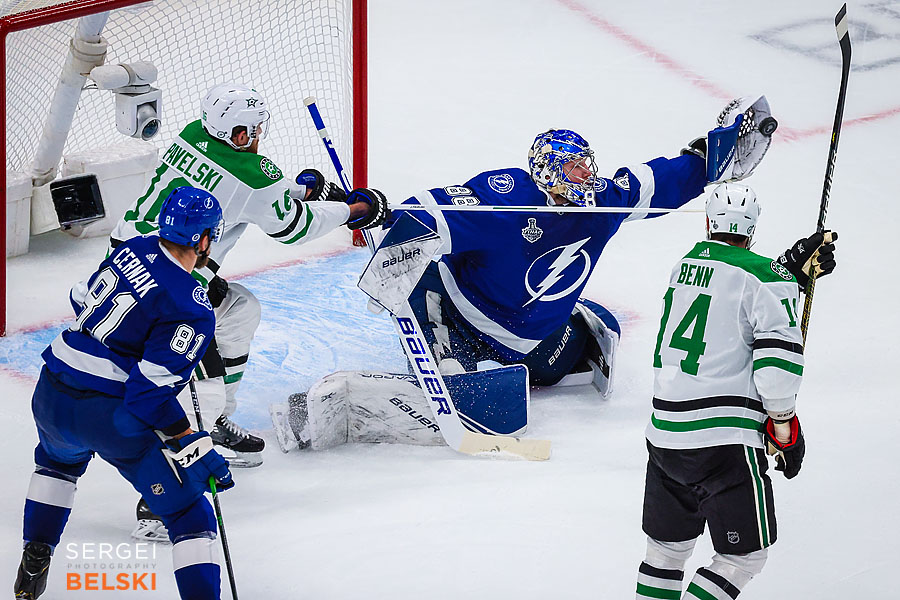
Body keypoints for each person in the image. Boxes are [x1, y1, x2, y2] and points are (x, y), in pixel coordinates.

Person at [271, 98, 780, 451]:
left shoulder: (602, 202)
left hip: (530, 342)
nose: (586, 176)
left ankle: (539, 345)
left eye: (587, 165)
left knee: (594, 339)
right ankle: (440, 363)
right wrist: (372, 209)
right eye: (574, 168)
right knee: (453, 362)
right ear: (547, 171)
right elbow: (428, 211)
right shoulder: (505, 195)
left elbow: (662, 179)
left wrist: (713, 152)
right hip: (462, 315)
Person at [108, 83, 388, 540]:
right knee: (197, 387)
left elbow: (241, 191)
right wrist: (355, 208)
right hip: (169, 288)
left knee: (239, 311)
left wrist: (300, 188)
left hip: (128, 259)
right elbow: (292, 226)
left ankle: (213, 428)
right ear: (239, 132)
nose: (258, 134)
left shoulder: (193, 134)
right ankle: (159, 504)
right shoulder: (254, 172)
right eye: (253, 128)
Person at [15, 188, 234, 600]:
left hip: (51, 393)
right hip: (108, 416)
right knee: (190, 514)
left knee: (56, 467)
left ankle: (35, 556)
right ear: (204, 239)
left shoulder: (133, 247)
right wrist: (188, 439)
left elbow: (81, 297)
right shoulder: (192, 309)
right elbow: (147, 395)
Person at [635, 182, 837, 600]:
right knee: (744, 557)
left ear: (708, 222)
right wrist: (784, 427)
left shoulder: (682, 266)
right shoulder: (765, 276)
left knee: (665, 553)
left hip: (665, 438)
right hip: (723, 443)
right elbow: (777, 364)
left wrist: (788, 272)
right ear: (753, 228)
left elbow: (727, 299)